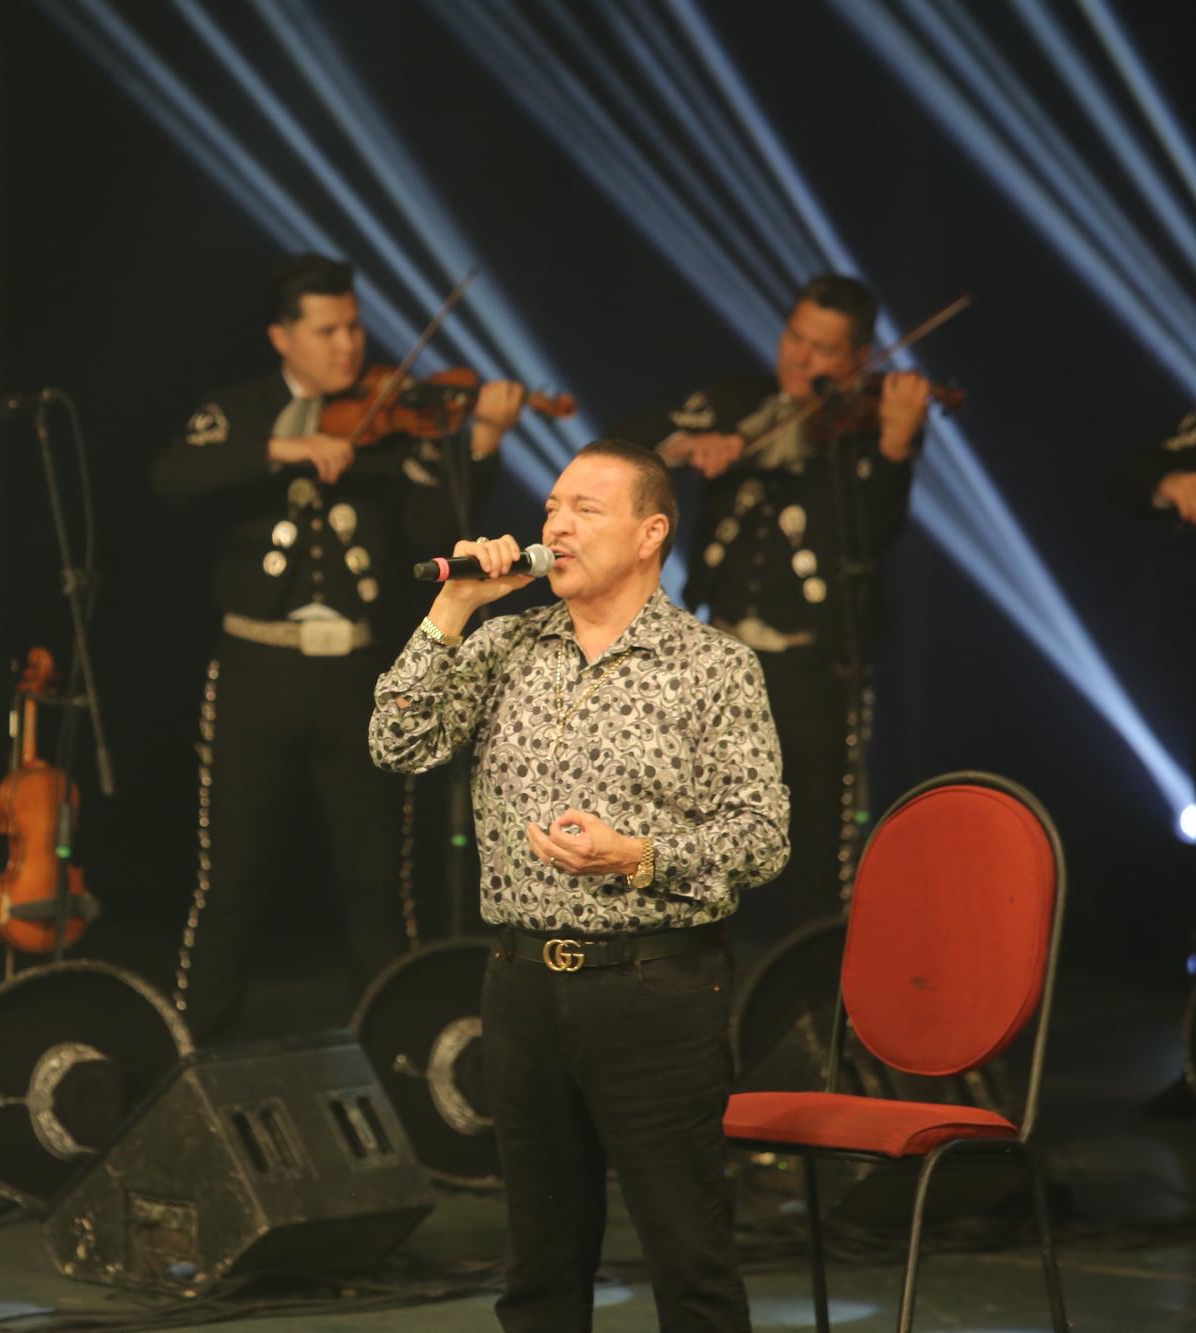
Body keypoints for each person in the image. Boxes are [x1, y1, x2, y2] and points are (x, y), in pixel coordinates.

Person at [369, 439, 787, 1332]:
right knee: (539, 1271)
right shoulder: (504, 643)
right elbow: (396, 744)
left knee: (691, 1261)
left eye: (585, 509)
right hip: (522, 987)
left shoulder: (713, 668)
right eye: (552, 505)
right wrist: (455, 603)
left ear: (649, 533)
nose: (555, 524)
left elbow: (761, 838)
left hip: (656, 991)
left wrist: (635, 856)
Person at [151, 254, 525, 1039]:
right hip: (258, 667)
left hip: (358, 671)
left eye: (353, 326)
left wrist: (482, 440)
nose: (349, 346)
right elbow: (174, 480)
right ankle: (194, 1048)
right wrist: (282, 451)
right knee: (232, 876)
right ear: (281, 336)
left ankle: (403, 1048)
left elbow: (432, 535)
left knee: (376, 878)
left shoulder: (390, 420)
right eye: (327, 330)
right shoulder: (240, 409)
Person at [626, 274, 927, 954]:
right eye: (795, 337)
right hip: (720, 656)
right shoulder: (739, 403)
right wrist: (684, 447)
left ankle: (809, 998)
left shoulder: (861, 428)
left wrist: (897, 448)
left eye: (822, 350)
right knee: (701, 824)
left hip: (812, 663)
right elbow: (633, 436)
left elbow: (871, 535)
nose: (799, 358)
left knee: (813, 835)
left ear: (857, 360)